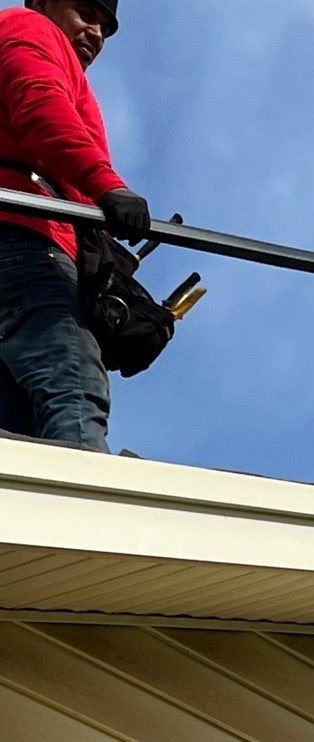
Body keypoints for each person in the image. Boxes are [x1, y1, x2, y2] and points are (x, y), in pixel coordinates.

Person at [0, 0, 150, 451]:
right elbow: (41, 106)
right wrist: (107, 187)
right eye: (86, 13)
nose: (97, 32)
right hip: (24, 238)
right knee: (72, 385)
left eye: (106, 26)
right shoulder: (29, 27)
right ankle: (85, 507)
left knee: (19, 422)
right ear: (42, 2)